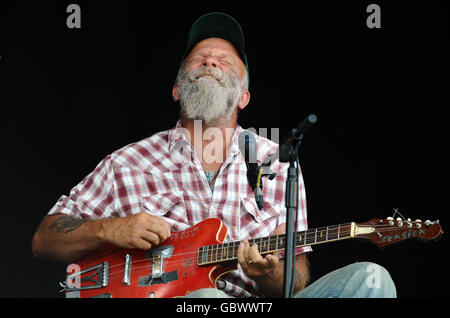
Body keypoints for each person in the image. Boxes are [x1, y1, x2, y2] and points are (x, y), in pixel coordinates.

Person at [32, 12, 396, 298]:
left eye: (224, 61)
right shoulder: (127, 162)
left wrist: (271, 274)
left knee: (370, 280)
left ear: (243, 97)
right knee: (205, 296)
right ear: (177, 89)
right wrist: (111, 227)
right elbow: (44, 240)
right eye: (199, 58)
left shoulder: (276, 162)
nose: (209, 62)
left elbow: (295, 281)